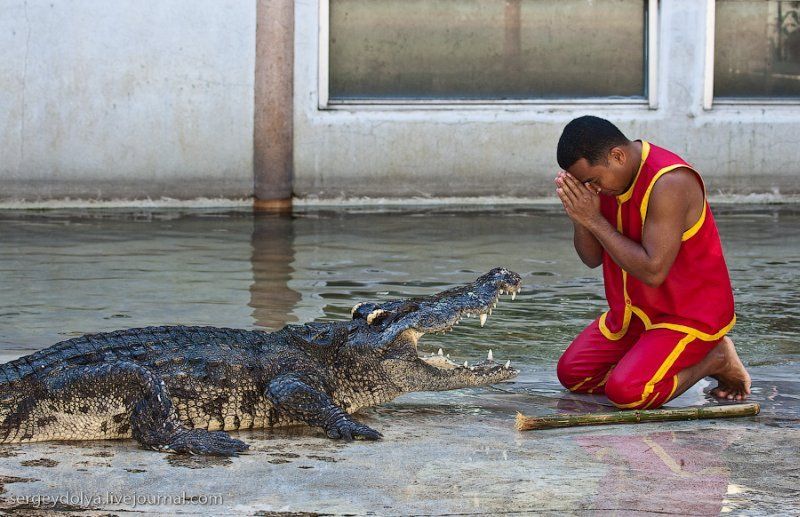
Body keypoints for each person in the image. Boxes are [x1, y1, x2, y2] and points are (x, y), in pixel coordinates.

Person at [553, 115, 750, 409]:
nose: (591, 189)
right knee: (574, 375)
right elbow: (592, 259)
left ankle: (715, 358)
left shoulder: (670, 181)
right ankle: (648, 359)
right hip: (635, 312)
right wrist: (581, 219)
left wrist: (594, 219)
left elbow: (653, 270)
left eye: (592, 180)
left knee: (628, 393)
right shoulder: (608, 183)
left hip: (687, 316)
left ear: (617, 156)